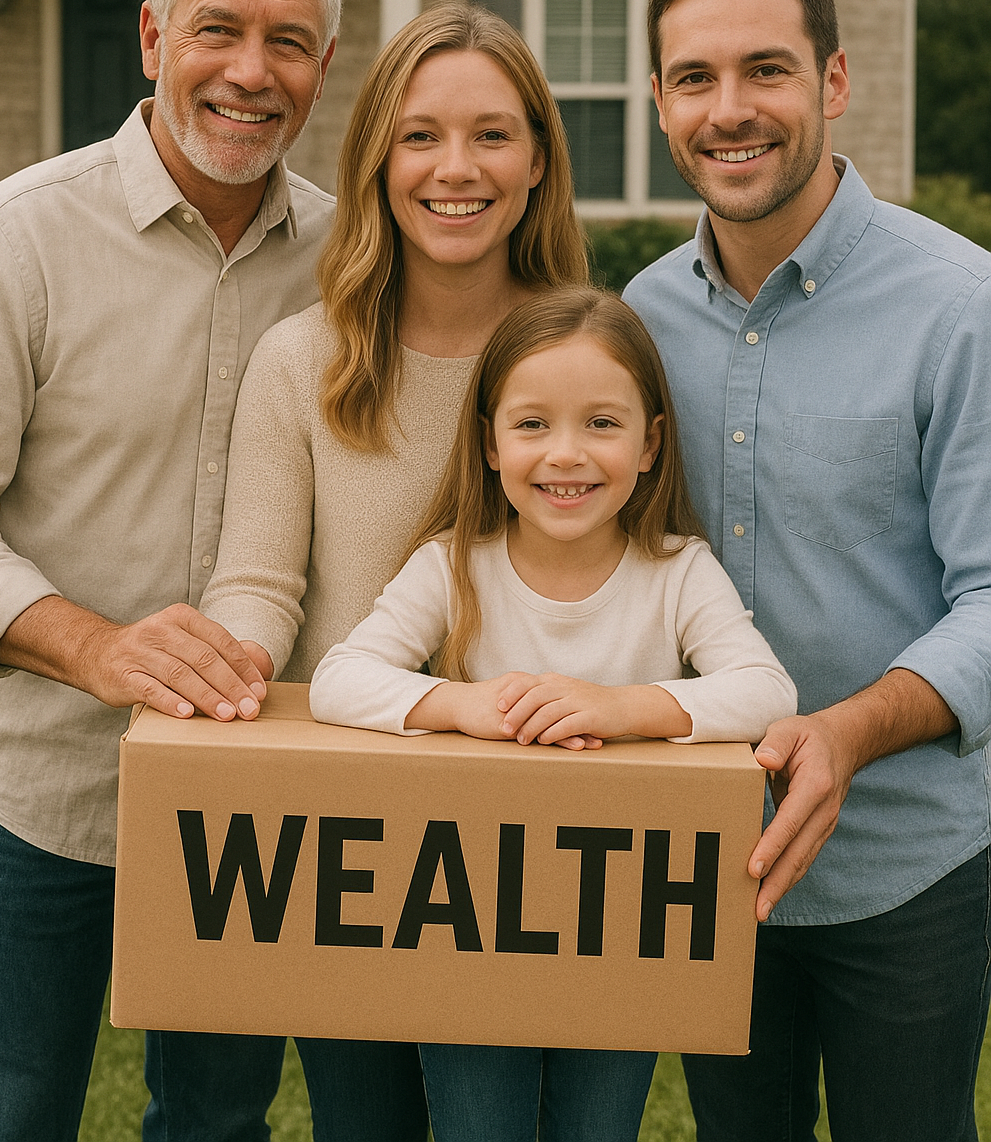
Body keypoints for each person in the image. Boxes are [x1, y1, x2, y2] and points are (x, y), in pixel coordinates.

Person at [0, 0, 342, 1142]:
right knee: (10, 1109)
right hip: (41, 795)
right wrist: (95, 646)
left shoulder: (354, 259)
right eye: (216, 30)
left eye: (288, 41)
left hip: (255, 805)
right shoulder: (17, 240)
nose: (250, 71)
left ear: (325, 66)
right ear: (149, 37)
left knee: (220, 1121)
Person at [624, 0, 991, 1142]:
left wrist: (848, 729)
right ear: (661, 102)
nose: (730, 111)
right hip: (705, 863)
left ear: (832, 85)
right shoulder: (637, 321)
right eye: (693, 79)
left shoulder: (959, 309)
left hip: (910, 868)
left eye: (766, 71)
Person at [199, 1, 589, 1140]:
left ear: (536, 163)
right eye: (419, 135)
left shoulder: (588, 353)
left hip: (544, 827)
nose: (453, 169)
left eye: (491, 135)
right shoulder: (302, 358)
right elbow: (261, 583)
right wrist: (237, 668)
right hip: (351, 828)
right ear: (376, 158)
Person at [309, 287, 797, 1142]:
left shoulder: (675, 571)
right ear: (490, 442)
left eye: (601, 424)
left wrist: (622, 708)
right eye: (532, 424)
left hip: (623, 937)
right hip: (468, 938)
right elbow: (338, 681)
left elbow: (766, 692)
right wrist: (465, 706)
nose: (565, 455)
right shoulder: (454, 564)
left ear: (650, 444)